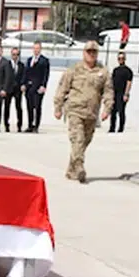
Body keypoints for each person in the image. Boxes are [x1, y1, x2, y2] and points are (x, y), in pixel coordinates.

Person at [54, 40, 112, 183]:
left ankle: (71, 170)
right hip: (75, 111)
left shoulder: (103, 72)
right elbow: (62, 89)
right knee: (78, 139)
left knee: (84, 141)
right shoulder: (74, 70)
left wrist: (107, 109)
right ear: (83, 53)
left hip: (92, 113)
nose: (91, 54)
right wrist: (58, 107)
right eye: (89, 52)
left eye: (94, 52)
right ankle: (79, 167)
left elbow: (108, 92)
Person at [23, 41, 49, 132]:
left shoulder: (44, 60)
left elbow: (46, 74)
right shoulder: (29, 60)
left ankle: (36, 126)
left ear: (40, 49)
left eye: (37, 48)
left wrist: (43, 85)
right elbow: (26, 73)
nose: (36, 50)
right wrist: (24, 84)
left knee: (37, 106)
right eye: (34, 48)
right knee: (29, 107)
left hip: (38, 87)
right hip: (29, 87)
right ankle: (30, 125)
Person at [109, 51, 133, 133]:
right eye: (119, 58)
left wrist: (126, 94)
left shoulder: (128, 71)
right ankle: (112, 128)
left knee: (121, 111)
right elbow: (112, 81)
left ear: (125, 59)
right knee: (113, 112)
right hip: (114, 93)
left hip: (122, 93)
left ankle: (121, 129)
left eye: (122, 58)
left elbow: (129, 83)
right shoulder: (115, 70)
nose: (120, 60)